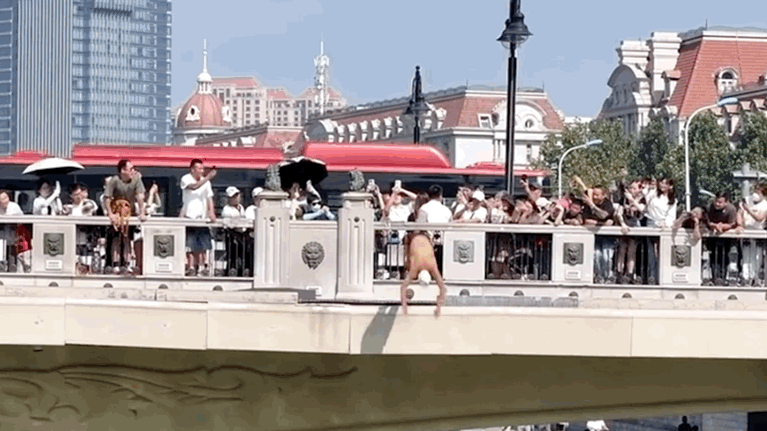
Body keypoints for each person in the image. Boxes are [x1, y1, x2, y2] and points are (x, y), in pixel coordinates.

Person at [400, 193, 447, 317]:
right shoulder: (419, 269)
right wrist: (438, 306)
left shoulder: (429, 267)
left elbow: (442, 288)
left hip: (422, 236)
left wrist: (404, 306)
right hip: (421, 236)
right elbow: (442, 288)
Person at [103, 159, 146, 275]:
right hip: (116, 211)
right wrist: (110, 214)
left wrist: (142, 212)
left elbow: (140, 197)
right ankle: (115, 264)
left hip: (129, 213)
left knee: (127, 238)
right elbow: (107, 198)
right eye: (130, 169)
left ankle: (126, 264)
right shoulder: (114, 180)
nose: (133, 171)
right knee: (116, 238)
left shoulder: (136, 180)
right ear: (123, 170)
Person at [180, 158, 216, 277]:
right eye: (199, 168)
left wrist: (211, 212)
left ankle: (202, 267)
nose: (202, 170)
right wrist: (208, 177)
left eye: (202, 168)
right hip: (189, 216)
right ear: (192, 169)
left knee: (203, 244)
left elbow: (209, 197)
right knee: (190, 244)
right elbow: (194, 187)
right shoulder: (185, 179)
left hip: (202, 217)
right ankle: (191, 267)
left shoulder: (207, 183)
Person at [63, 183, 98, 274]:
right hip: (72, 240)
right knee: (73, 264)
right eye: (76, 195)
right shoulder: (67, 207)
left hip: (86, 239)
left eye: (80, 193)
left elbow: (91, 210)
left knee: (86, 263)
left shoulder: (89, 204)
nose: (79, 197)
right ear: (71, 196)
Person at [0, 189, 30, 273]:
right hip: (1, 235)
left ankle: (13, 267)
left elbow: (23, 221)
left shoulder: (14, 206)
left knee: (12, 255)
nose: (5, 201)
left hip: (13, 234)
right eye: (2, 199)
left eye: (6, 198)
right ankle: (1, 266)